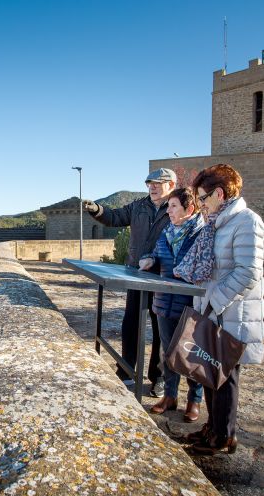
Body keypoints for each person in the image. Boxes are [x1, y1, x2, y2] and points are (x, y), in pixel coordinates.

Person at [174, 164, 264, 455]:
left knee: (225, 377)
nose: (200, 204)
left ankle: (223, 437)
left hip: (231, 313)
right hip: (214, 311)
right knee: (210, 372)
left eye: (203, 198)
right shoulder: (216, 222)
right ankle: (215, 428)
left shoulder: (247, 222)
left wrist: (215, 302)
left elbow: (249, 272)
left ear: (220, 194)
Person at [83, 168, 177, 396]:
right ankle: (125, 371)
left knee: (160, 331)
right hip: (136, 273)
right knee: (131, 323)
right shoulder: (139, 206)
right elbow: (115, 217)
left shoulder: (177, 207)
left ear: (171, 185)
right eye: (149, 183)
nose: (152, 186)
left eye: (157, 183)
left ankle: (159, 378)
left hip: (164, 278)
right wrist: (97, 210)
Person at [138, 187, 204, 421]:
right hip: (164, 302)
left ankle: (194, 401)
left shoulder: (201, 234)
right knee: (168, 353)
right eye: (169, 206)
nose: (169, 210)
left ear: (190, 209)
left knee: (192, 354)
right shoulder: (166, 232)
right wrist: (150, 260)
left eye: (174, 206)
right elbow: (157, 255)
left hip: (190, 304)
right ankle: (170, 396)